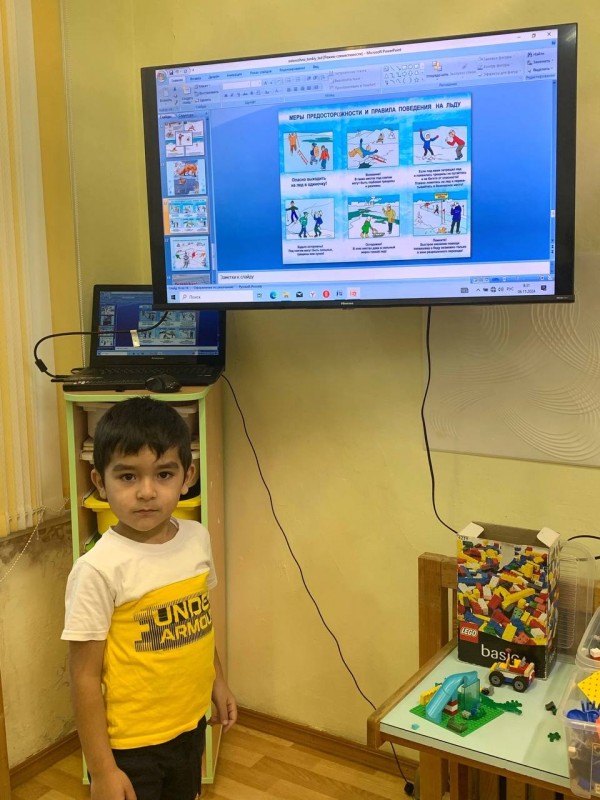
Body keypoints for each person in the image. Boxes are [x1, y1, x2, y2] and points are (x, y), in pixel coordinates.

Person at [62, 397, 236, 800]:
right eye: (127, 476)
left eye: (163, 474)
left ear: (187, 476)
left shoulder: (197, 538)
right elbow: (83, 677)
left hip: (190, 727)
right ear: (99, 481)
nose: (146, 492)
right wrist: (102, 770)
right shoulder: (98, 569)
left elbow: (199, 623)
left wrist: (219, 682)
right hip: (131, 746)